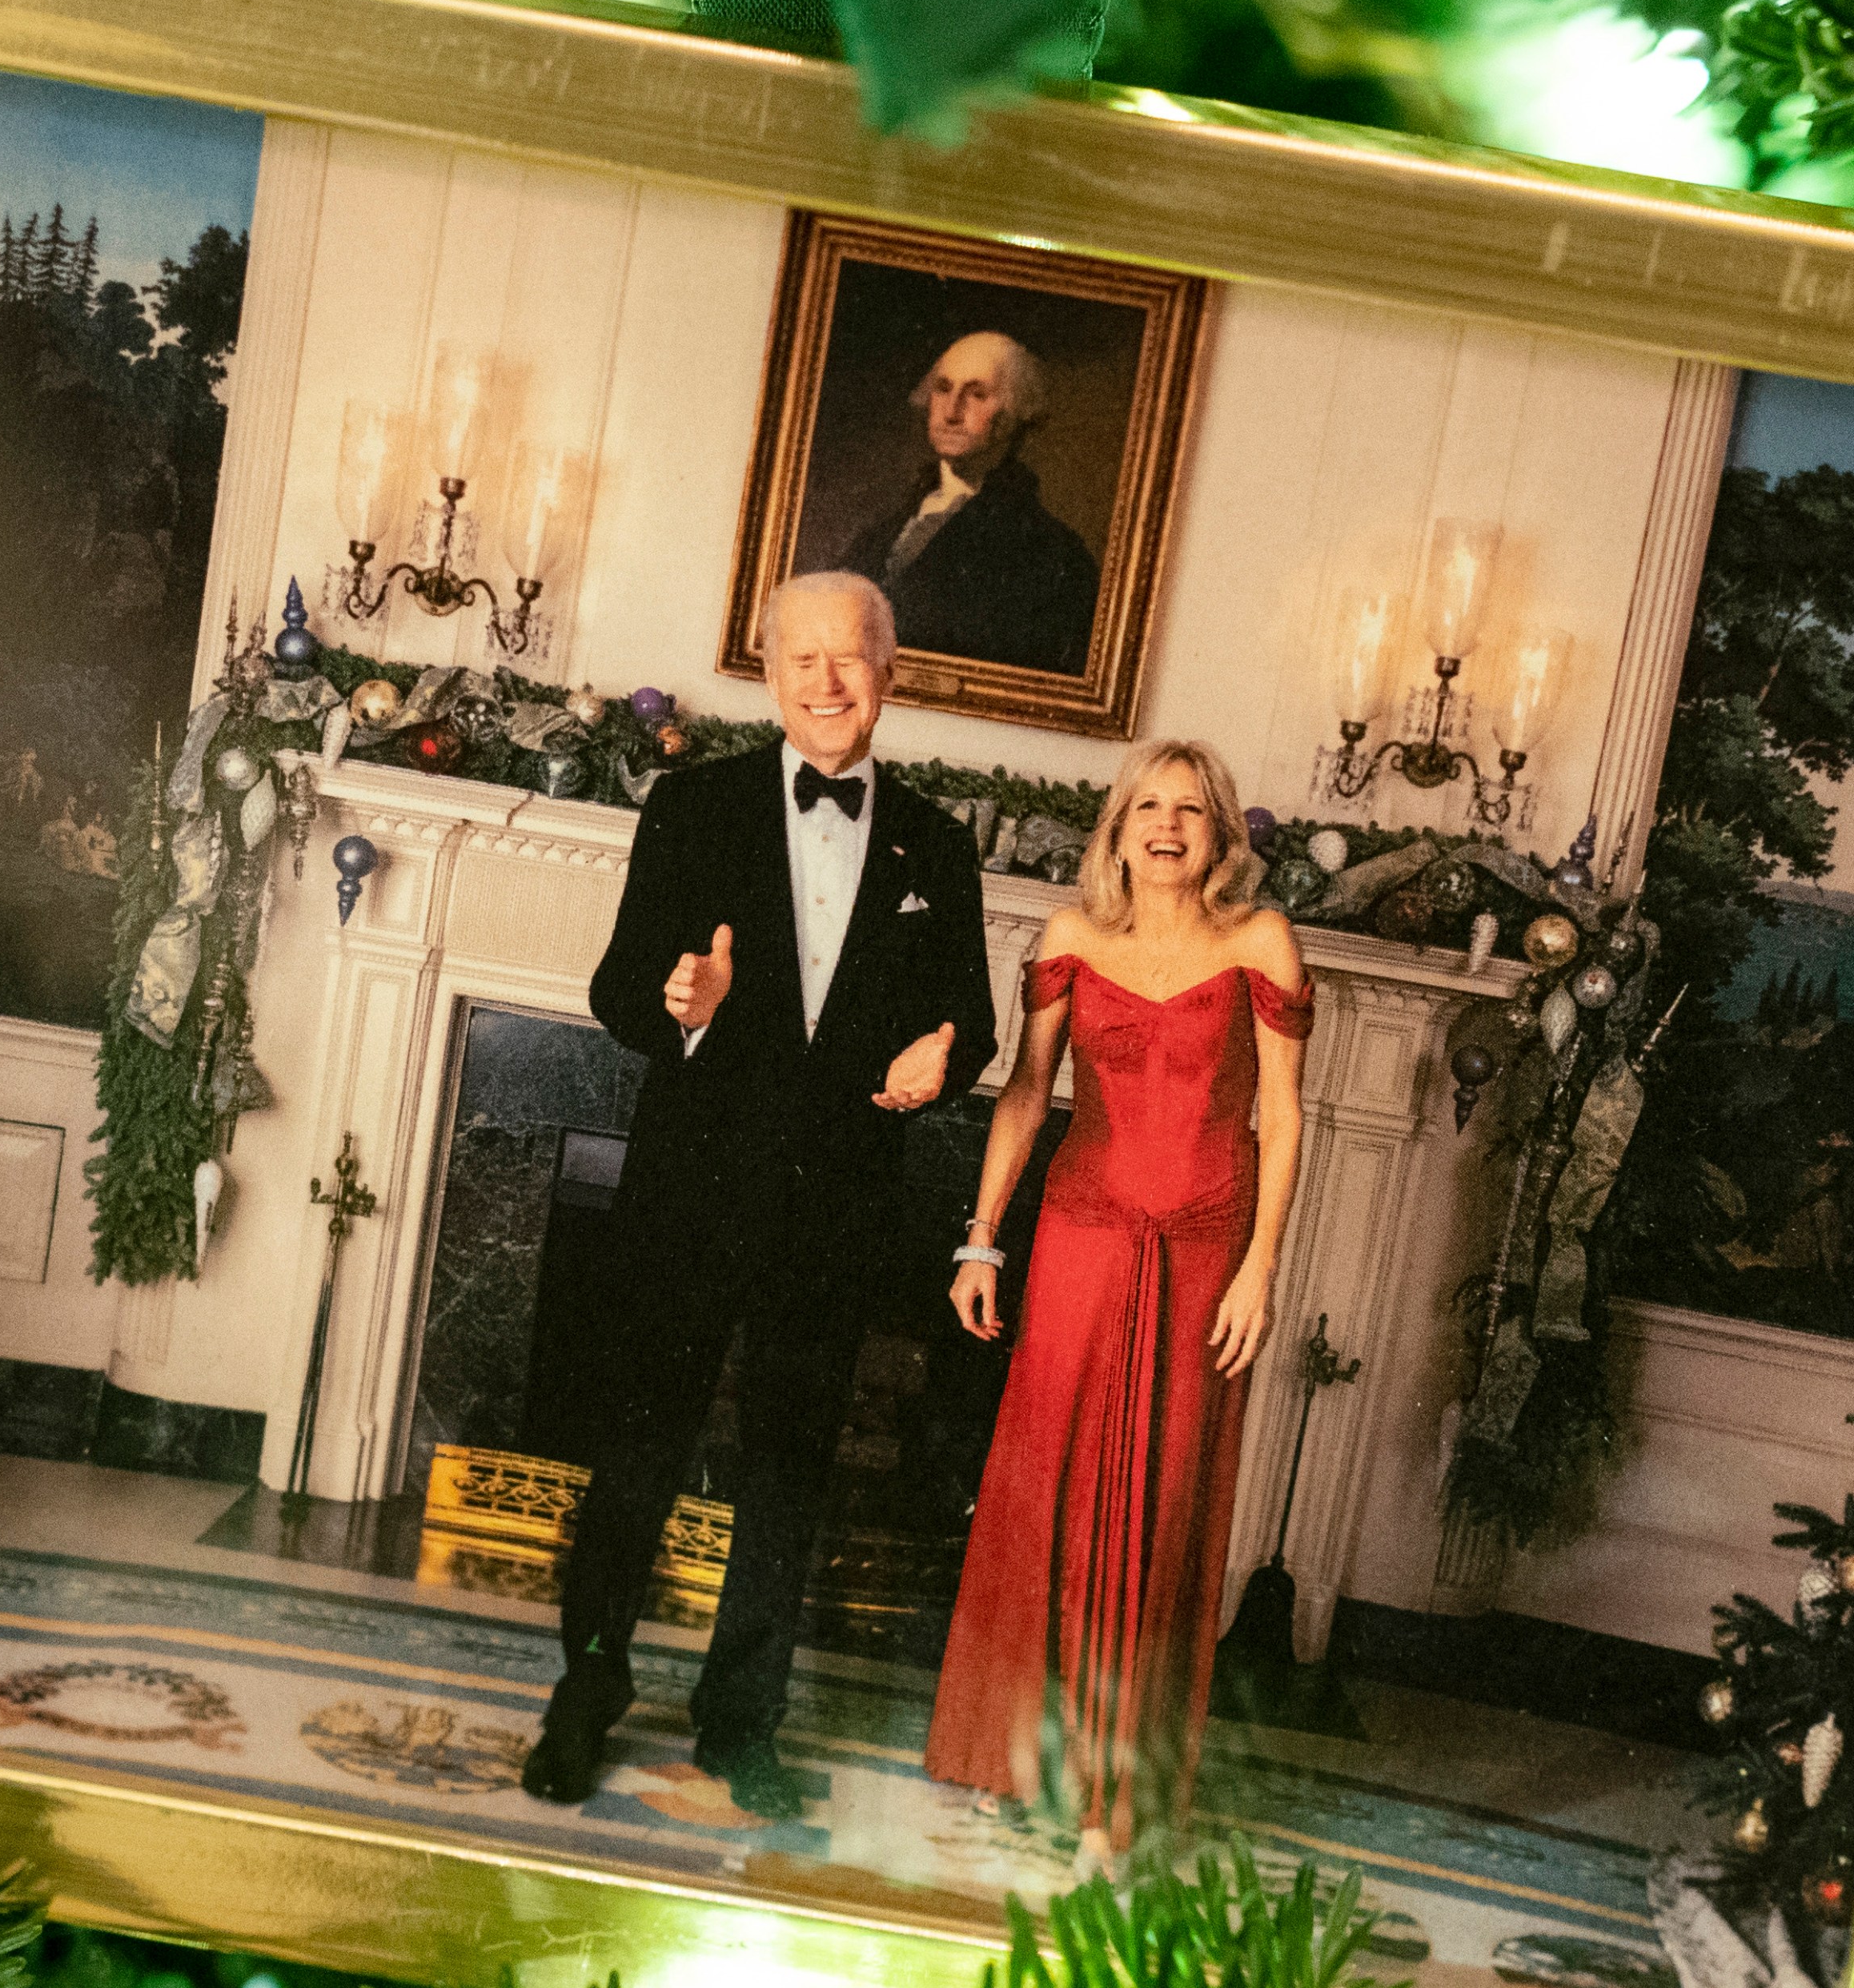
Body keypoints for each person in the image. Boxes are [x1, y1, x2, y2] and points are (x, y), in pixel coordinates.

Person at [525, 571, 1001, 1816]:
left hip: (834, 1210)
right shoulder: (694, 808)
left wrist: (939, 1059)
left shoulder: (938, 847)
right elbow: (621, 988)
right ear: (771, 676)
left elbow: (976, 1027)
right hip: (690, 1192)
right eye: (804, 661)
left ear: (888, 677)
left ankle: (744, 1721)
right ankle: (587, 1690)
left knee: (789, 1474)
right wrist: (685, 1004)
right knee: (638, 1451)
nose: (827, 681)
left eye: (851, 659)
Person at [924, 740, 1310, 1858]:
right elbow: (1027, 1092)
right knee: (1047, 1487)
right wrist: (982, 1240)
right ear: (1117, 826)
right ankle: (1020, 1753)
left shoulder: (1259, 941)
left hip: (1203, 1245)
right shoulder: (1071, 938)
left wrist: (1263, 1264)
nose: (1168, 825)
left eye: (1191, 809)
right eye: (1148, 805)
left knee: (1160, 1501)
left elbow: (1281, 1117)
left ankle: (1110, 1797)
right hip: (1081, 1233)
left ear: (1220, 832)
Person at [841, 329, 1102, 675]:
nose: (951, 412)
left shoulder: (1054, 554)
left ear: (1016, 414)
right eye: (943, 389)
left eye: (977, 395)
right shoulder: (884, 530)